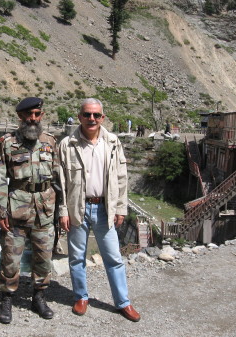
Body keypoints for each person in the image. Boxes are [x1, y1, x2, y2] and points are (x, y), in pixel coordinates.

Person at [58, 98, 140, 322]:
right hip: (77, 208)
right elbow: (62, 182)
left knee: (114, 257)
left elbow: (121, 178)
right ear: (79, 116)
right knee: (76, 257)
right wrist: (63, 210)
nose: (91, 119)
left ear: (103, 118)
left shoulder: (113, 142)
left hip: (104, 208)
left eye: (96, 115)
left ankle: (123, 302)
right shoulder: (67, 144)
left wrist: (121, 207)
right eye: (87, 114)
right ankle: (81, 297)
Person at [0, 97, 59, 324]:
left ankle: (38, 297)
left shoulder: (50, 142)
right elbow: (0, 179)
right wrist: (1, 211)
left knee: (44, 257)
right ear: (20, 116)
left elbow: (58, 179)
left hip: (44, 209)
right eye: (29, 114)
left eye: (37, 114)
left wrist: (61, 212)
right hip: (16, 209)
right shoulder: (7, 143)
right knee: (10, 258)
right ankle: (6, 298)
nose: (33, 118)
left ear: (41, 115)